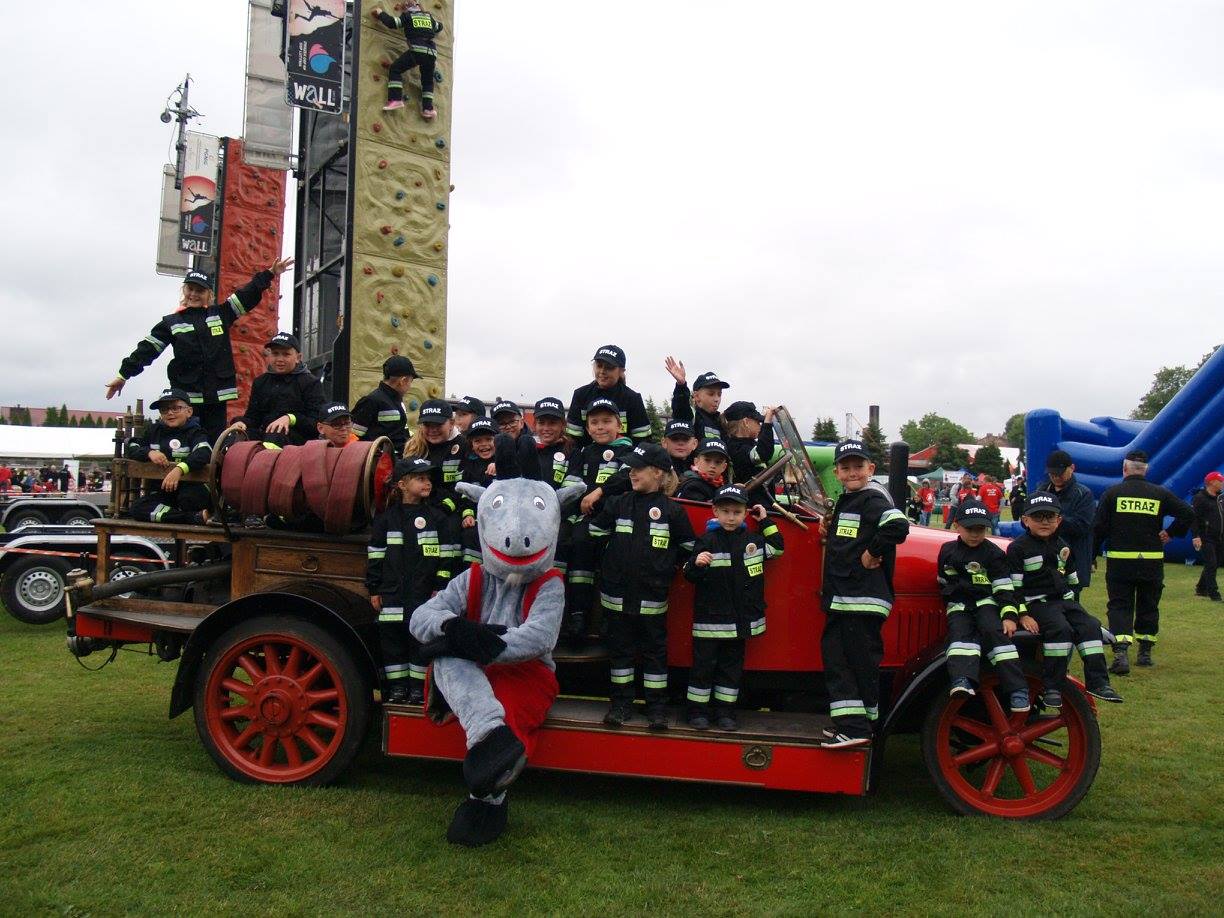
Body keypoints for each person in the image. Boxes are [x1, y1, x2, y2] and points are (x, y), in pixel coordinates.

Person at [107, 259, 292, 442]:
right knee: (187, 444)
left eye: (200, 290)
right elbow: (147, 350)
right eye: (190, 289)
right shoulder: (171, 322)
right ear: (184, 290)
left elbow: (247, 294)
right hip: (186, 399)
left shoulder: (221, 313)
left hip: (216, 398)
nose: (194, 294)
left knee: (213, 447)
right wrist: (123, 375)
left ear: (208, 294)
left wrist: (270, 273)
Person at [587, 442, 696, 730]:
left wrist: (664, 568)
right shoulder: (618, 503)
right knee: (620, 656)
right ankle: (620, 706)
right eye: (631, 469)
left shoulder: (672, 511)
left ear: (658, 473)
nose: (632, 474)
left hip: (653, 599)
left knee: (654, 657)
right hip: (616, 599)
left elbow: (688, 548)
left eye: (638, 469)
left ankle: (656, 710)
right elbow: (595, 532)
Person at [819, 439, 910, 748]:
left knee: (848, 662)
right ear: (837, 472)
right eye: (846, 467)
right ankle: (859, 723)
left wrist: (873, 553)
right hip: (847, 598)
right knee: (844, 660)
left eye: (858, 466)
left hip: (860, 599)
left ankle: (856, 727)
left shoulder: (870, 499)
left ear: (871, 469)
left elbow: (897, 525)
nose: (852, 472)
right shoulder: (850, 500)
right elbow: (849, 536)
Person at [1007, 491, 1122, 709]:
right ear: (1025, 520)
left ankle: (1098, 682)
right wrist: (1022, 614)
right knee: (1061, 630)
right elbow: (1013, 588)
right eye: (1038, 517)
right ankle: (1053, 686)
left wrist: (1078, 611)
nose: (1044, 522)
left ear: (1059, 520)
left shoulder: (1063, 547)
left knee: (1090, 626)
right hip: (1036, 603)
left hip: (1063, 601)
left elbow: (1071, 582)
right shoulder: (1018, 548)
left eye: (1050, 517)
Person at [683, 484, 784, 730]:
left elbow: (778, 548)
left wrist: (765, 521)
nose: (731, 517)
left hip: (738, 625)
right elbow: (689, 575)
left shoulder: (753, 541)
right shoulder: (707, 540)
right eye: (725, 511)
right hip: (710, 624)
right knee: (703, 670)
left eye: (737, 512)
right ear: (715, 512)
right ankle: (697, 713)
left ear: (745, 513)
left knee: (731, 671)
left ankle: (725, 713)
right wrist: (697, 563)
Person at [1092, 450, 1195, 673]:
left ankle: (1120, 654)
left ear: (1124, 468)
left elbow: (1098, 529)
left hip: (1121, 562)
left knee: (1120, 605)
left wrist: (1091, 556)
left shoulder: (1112, 494)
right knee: (1149, 604)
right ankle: (1145, 652)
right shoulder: (1159, 494)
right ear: (1146, 470)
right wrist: (1171, 533)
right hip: (1151, 561)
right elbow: (1188, 512)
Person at [938, 500, 1033, 713]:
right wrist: (952, 602)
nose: (975, 534)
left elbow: (1003, 587)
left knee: (997, 635)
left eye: (980, 529)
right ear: (957, 526)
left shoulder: (994, 554)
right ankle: (962, 680)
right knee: (959, 636)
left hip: (986, 603)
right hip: (960, 605)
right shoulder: (947, 551)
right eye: (969, 529)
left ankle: (1018, 689)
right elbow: (944, 580)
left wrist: (1009, 615)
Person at [368, 457, 449, 705]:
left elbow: (446, 557)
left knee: (420, 642)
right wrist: (374, 589)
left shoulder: (437, 518)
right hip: (392, 595)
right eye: (420, 478)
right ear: (402, 485)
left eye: (429, 479)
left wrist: (440, 586)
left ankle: (417, 689)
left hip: (423, 596)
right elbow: (375, 556)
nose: (427, 483)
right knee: (393, 645)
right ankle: (397, 688)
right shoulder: (386, 520)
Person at [560, 397, 634, 640]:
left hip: (616, 520)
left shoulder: (629, 451)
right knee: (574, 550)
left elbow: (627, 479)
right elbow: (571, 485)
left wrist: (599, 492)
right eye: (594, 422)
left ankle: (608, 621)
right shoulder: (583, 452)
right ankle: (577, 616)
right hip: (584, 519)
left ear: (619, 425)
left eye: (606, 421)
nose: (600, 427)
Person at [126, 388, 213, 525]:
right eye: (164, 409)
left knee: (188, 498)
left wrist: (179, 470)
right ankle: (189, 518)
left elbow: (204, 453)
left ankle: (183, 514)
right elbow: (132, 447)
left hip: (192, 489)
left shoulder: (196, 432)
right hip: (164, 492)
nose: (170, 413)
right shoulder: (153, 430)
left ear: (189, 411)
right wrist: (149, 452)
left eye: (175, 408)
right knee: (137, 508)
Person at [405, 399, 467, 582]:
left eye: (438, 424)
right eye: (427, 425)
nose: (432, 429)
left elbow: (463, 486)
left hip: (450, 509)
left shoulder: (463, 446)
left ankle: (445, 583)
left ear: (452, 423)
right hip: (420, 505)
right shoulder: (414, 447)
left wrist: (444, 507)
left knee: (450, 531)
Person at [233, 333, 327, 448]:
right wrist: (241, 423)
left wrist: (290, 418)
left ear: (298, 358)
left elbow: (317, 424)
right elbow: (253, 417)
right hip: (265, 435)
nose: (279, 359)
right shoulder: (260, 382)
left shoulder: (311, 383)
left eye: (286, 354)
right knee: (235, 437)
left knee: (275, 436)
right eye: (275, 354)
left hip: (298, 442)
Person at [565, 345, 652, 447]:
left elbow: (643, 441)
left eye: (609, 367)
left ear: (621, 371)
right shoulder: (580, 395)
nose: (602, 371)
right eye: (599, 366)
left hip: (624, 459)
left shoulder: (632, 398)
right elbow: (572, 440)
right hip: (587, 459)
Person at [1035, 449, 1097, 591]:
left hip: (1072, 560)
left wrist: (1053, 520)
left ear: (1072, 468)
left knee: (1070, 607)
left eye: (1060, 473)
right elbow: (1027, 520)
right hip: (1042, 559)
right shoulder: (1041, 491)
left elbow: (1082, 526)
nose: (1056, 477)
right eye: (1052, 473)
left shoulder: (1083, 494)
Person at [370, 3, 444, 119]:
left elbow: (392, 23)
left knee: (395, 69)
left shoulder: (408, 16)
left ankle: (395, 99)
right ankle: (428, 109)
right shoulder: (428, 18)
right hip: (431, 53)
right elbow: (440, 27)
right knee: (428, 82)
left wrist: (380, 13)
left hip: (418, 50)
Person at [351, 355, 415, 454]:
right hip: (380, 463)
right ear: (403, 381)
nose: (410, 386)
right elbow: (354, 437)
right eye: (411, 381)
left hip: (397, 459)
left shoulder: (396, 401)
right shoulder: (371, 401)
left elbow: (401, 433)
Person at [724, 401, 777, 509]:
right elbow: (762, 454)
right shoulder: (734, 447)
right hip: (752, 508)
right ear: (746, 422)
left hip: (764, 504)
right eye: (758, 422)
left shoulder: (750, 444)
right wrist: (767, 424)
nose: (760, 425)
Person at [665, 359, 729, 442]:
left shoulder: (722, 422)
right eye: (711, 394)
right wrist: (681, 385)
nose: (716, 399)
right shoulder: (692, 417)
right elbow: (681, 407)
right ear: (696, 396)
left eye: (719, 394)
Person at [1192, 471, 1224, 602]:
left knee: (1215, 563)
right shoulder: (1200, 498)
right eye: (1220, 481)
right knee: (1211, 563)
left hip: (1220, 537)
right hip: (1206, 537)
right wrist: (1196, 536)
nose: (1222, 483)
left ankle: (1201, 588)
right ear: (1211, 482)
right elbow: (1193, 519)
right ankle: (1214, 594)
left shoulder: (1220, 498)